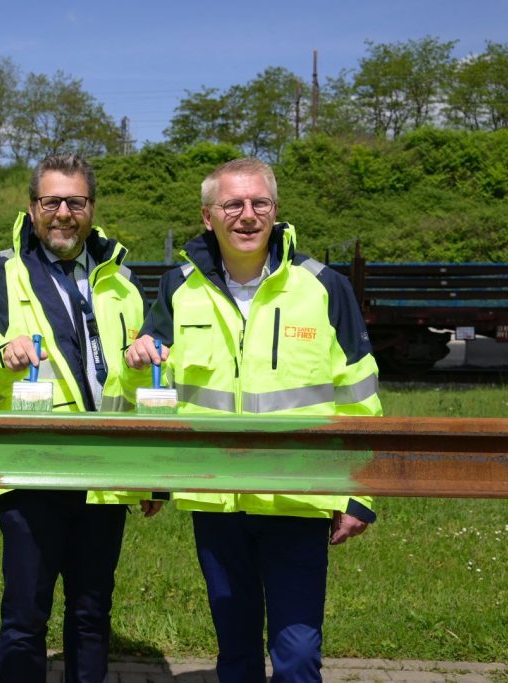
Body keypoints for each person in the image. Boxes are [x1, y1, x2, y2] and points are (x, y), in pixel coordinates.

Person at [124, 157, 382, 683]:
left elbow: (359, 398)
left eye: (259, 203)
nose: (247, 215)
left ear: (275, 211)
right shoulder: (178, 288)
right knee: (235, 655)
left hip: (298, 497)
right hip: (216, 499)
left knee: (297, 657)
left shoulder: (325, 287)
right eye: (232, 204)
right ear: (207, 216)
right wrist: (137, 364)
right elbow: (154, 391)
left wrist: (360, 492)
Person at [0, 153, 162, 683]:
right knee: (25, 619)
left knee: (92, 617)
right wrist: (4, 359)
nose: (64, 213)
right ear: (32, 208)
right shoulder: (1, 274)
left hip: (105, 476)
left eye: (76, 201)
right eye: (52, 202)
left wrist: (153, 473)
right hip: (33, 475)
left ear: (92, 208)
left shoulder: (120, 280)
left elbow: (144, 383)